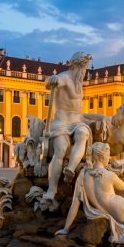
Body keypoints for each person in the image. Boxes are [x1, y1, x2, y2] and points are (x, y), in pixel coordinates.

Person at [41, 51, 93, 207]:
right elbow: (48, 82)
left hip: (76, 121)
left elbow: (81, 111)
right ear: (77, 66)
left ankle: (70, 169)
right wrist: (52, 80)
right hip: (61, 122)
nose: (85, 71)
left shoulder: (79, 82)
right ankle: (52, 189)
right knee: (61, 149)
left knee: (83, 133)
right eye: (84, 67)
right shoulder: (64, 77)